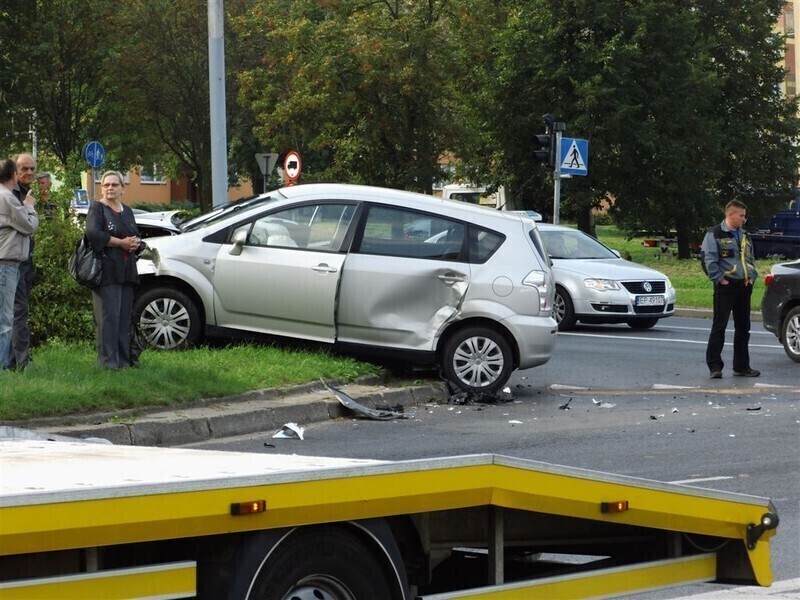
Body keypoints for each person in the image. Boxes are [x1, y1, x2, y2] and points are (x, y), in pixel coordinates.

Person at [85, 171, 142, 370]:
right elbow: (93, 234)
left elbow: (134, 234)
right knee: (108, 319)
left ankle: (123, 363)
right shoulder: (97, 208)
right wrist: (121, 243)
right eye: (106, 185)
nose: (110, 188)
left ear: (122, 189)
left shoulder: (127, 211)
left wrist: (136, 243)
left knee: (123, 318)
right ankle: (108, 364)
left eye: (114, 185)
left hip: (126, 271)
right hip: (106, 272)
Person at [702, 200, 759, 379]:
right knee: (720, 326)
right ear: (730, 215)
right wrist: (720, 280)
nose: (744, 219)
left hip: (744, 285)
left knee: (743, 327)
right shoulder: (715, 234)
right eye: (741, 215)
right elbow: (708, 260)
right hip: (726, 287)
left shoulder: (743, 234)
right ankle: (715, 366)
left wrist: (752, 276)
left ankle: (742, 366)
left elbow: (750, 258)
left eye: (744, 215)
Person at [0, 158, 38, 371]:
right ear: (14, 173)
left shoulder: (11, 194)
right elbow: (29, 225)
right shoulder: (9, 196)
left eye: (32, 169)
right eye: (23, 169)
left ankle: (14, 362)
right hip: (8, 261)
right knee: (9, 317)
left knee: (12, 313)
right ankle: (8, 365)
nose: (28, 173)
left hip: (17, 261)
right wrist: (29, 208)